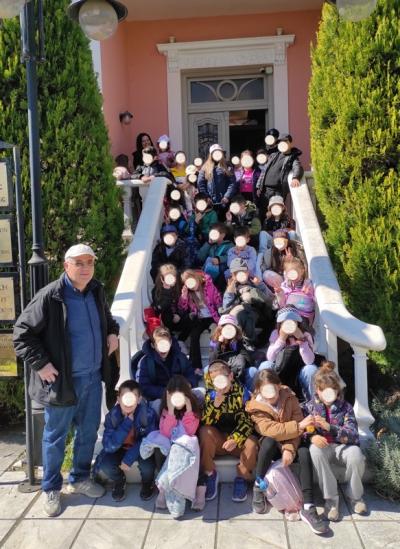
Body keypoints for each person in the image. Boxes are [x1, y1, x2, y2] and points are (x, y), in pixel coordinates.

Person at [13, 244, 119, 517]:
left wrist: (112, 333)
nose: (85, 268)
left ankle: (80, 477)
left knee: (88, 431)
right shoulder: (51, 296)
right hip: (63, 383)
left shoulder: (95, 290)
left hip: (92, 379)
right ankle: (51, 487)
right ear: (66, 266)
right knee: (55, 436)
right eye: (79, 263)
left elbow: (107, 320)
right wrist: (41, 364)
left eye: (89, 262)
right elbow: (22, 334)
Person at [246, 370, 327, 535]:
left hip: (292, 443)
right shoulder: (255, 407)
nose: (270, 395)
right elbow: (272, 430)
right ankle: (258, 486)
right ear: (259, 390)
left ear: (278, 385)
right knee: (268, 441)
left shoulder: (290, 397)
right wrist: (298, 427)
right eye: (265, 391)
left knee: (304, 452)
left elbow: (299, 427)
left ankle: (308, 506)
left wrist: (289, 448)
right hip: (271, 447)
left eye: (272, 389)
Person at [303, 361, 367, 521]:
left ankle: (355, 496)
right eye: (324, 391)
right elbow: (302, 430)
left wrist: (330, 427)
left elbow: (353, 434)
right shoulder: (309, 407)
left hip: (343, 447)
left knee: (356, 455)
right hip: (323, 447)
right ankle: (331, 500)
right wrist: (312, 436)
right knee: (314, 450)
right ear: (318, 390)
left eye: (332, 391)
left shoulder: (345, 407)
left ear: (337, 391)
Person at [199, 360, 258, 502]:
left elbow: (248, 421)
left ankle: (242, 477)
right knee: (204, 432)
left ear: (230, 376)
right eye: (215, 381)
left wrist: (235, 439)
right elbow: (205, 422)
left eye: (222, 379)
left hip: (238, 443)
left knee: (252, 443)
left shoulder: (243, 394)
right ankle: (210, 473)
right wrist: (215, 406)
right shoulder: (211, 395)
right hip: (218, 441)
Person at [93, 380, 157, 502]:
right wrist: (126, 424)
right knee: (106, 464)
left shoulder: (147, 415)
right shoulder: (112, 416)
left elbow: (149, 439)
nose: (129, 402)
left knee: (147, 466)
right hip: (119, 448)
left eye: (133, 397)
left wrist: (129, 458)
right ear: (119, 399)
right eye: (125, 397)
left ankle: (147, 483)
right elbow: (108, 446)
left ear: (139, 399)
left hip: (140, 448)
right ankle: (119, 480)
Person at [152, 375, 203, 516]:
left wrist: (188, 410)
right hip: (171, 446)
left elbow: (190, 431)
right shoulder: (166, 411)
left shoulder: (193, 411)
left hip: (186, 448)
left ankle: (166, 487)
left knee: (181, 449)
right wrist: (170, 411)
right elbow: (165, 433)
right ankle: (164, 489)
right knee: (161, 450)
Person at [258, 307, 318, 401]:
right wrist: (281, 339)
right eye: (285, 322)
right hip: (279, 370)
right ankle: (266, 398)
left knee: (311, 369)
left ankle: (313, 402)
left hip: (298, 372)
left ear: (298, 323)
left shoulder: (306, 335)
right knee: (265, 365)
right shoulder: (275, 334)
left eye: (293, 322)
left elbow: (309, 361)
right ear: (280, 324)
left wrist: (302, 341)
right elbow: (270, 358)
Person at [135, 326, 197, 412]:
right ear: (153, 345)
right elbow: (144, 387)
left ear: (170, 343)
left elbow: (191, 375)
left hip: (181, 393)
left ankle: (191, 419)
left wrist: (187, 386)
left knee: (200, 394)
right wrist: (167, 393)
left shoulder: (181, 357)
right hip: (160, 397)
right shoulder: (145, 362)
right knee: (157, 406)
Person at [222, 258, 273, 349]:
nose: (241, 275)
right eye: (237, 273)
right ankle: (244, 342)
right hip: (241, 315)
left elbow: (268, 298)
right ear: (233, 275)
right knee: (243, 314)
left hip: (259, 311)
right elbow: (226, 308)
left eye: (243, 272)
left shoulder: (254, 282)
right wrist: (229, 292)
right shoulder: (232, 287)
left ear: (248, 272)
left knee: (249, 314)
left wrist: (260, 285)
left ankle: (251, 342)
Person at [178, 269, 222, 372]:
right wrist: (184, 296)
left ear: (196, 278)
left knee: (214, 334)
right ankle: (196, 366)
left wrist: (221, 316)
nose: (192, 286)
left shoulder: (208, 286)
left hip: (212, 317)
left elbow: (218, 300)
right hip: (200, 318)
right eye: (188, 284)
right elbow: (182, 309)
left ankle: (213, 363)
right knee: (194, 334)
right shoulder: (189, 293)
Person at [255, 133, 303, 213]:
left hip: (278, 192)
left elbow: (298, 167)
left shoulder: (293, 157)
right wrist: (259, 186)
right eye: (280, 142)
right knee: (263, 213)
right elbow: (264, 171)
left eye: (285, 141)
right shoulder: (273, 155)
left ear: (291, 143)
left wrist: (295, 178)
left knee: (276, 214)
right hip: (265, 190)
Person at [207, 314, 255, 390]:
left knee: (252, 370)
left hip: (236, 370)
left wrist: (238, 342)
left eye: (230, 326)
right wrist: (219, 343)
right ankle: (214, 392)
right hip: (221, 370)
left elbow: (249, 361)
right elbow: (211, 361)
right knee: (206, 369)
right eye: (224, 326)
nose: (228, 330)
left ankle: (245, 392)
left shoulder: (238, 341)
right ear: (220, 328)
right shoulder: (214, 342)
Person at [197, 144, 237, 217]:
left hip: (224, 202)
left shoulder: (227, 166)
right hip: (210, 203)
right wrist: (206, 197)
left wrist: (227, 196)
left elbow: (232, 183)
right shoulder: (205, 167)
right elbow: (201, 184)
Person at [275, 257, 315, 325]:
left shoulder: (307, 284)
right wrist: (279, 293)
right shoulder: (285, 286)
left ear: (302, 271)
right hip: (289, 313)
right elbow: (282, 305)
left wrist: (309, 292)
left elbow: (313, 299)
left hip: (304, 315)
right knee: (281, 322)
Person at [151, 263, 185, 336]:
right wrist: (167, 291)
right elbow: (160, 307)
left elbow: (182, 304)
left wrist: (178, 314)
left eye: (173, 276)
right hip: (166, 319)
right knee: (167, 315)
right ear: (162, 278)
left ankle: (181, 337)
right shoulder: (156, 291)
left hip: (178, 317)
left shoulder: (178, 287)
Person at [196, 222, 233, 289]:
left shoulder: (229, 245)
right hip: (208, 271)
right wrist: (208, 243)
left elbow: (230, 257)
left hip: (221, 273)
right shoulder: (210, 245)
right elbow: (200, 257)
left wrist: (219, 259)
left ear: (223, 235)